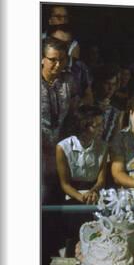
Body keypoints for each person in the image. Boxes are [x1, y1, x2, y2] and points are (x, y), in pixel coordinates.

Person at [40, 38, 78, 203]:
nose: (57, 64)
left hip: (60, 149)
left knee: (59, 196)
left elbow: (72, 114)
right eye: (52, 60)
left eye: (61, 60)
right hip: (37, 151)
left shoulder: (68, 81)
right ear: (42, 59)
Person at [56, 105, 108, 204]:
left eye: (102, 124)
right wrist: (82, 197)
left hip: (95, 195)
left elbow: (101, 180)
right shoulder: (63, 147)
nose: (102, 129)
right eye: (96, 126)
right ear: (83, 127)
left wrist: (93, 192)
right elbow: (65, 184)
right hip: (72, 195)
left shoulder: (103, 147)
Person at [92, 65, 124, 143]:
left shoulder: (117, 112)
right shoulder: (89, 106)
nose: (110, 88)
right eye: (107, 83)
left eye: (113, 84)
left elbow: (115, 140)